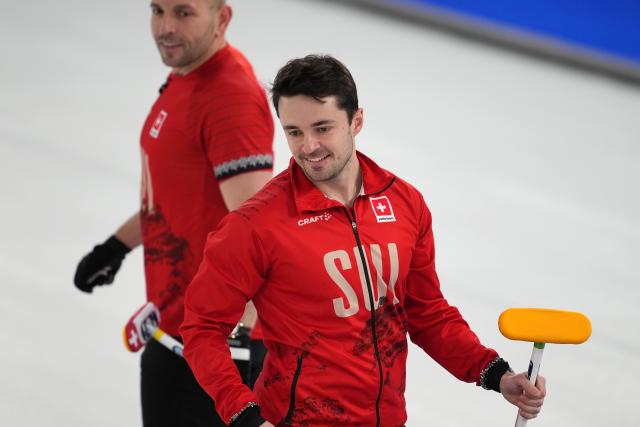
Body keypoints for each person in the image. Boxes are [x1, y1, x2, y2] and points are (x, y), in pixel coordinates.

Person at [180, 55, 546, 427]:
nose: (308, 146)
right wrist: (245, 416)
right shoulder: (256, 224)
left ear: (356, 121)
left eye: (323, 128)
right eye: (294, 132)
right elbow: (201, 327)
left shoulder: (404, 203)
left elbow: (426, 313)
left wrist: (496, 374)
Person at [73, 0, 274, 425]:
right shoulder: (186, 77)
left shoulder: (229, 98)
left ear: (222, 19)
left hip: (207, 355)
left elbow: (258, 235)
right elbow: (177, 194)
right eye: (158, 10)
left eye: (183, 13)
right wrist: (117, 245)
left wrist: (235, 353)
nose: (165, 27)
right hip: (175, 329)